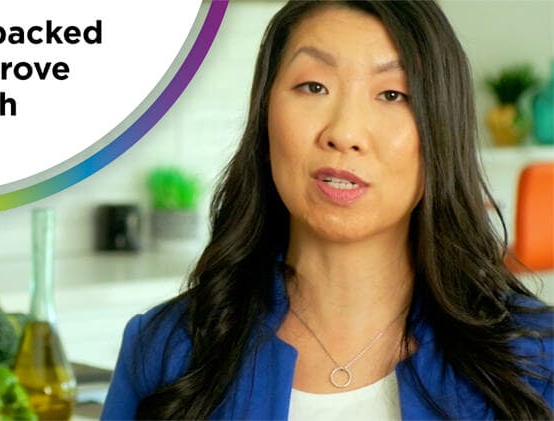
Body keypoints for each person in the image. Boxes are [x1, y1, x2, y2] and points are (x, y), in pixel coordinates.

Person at [102, 1, 554, 419]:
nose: (344, 131)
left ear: (441, 132)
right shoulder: (164, 349)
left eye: (393, 94)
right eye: (313, 86)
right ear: (264, 119)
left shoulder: (536, 361)